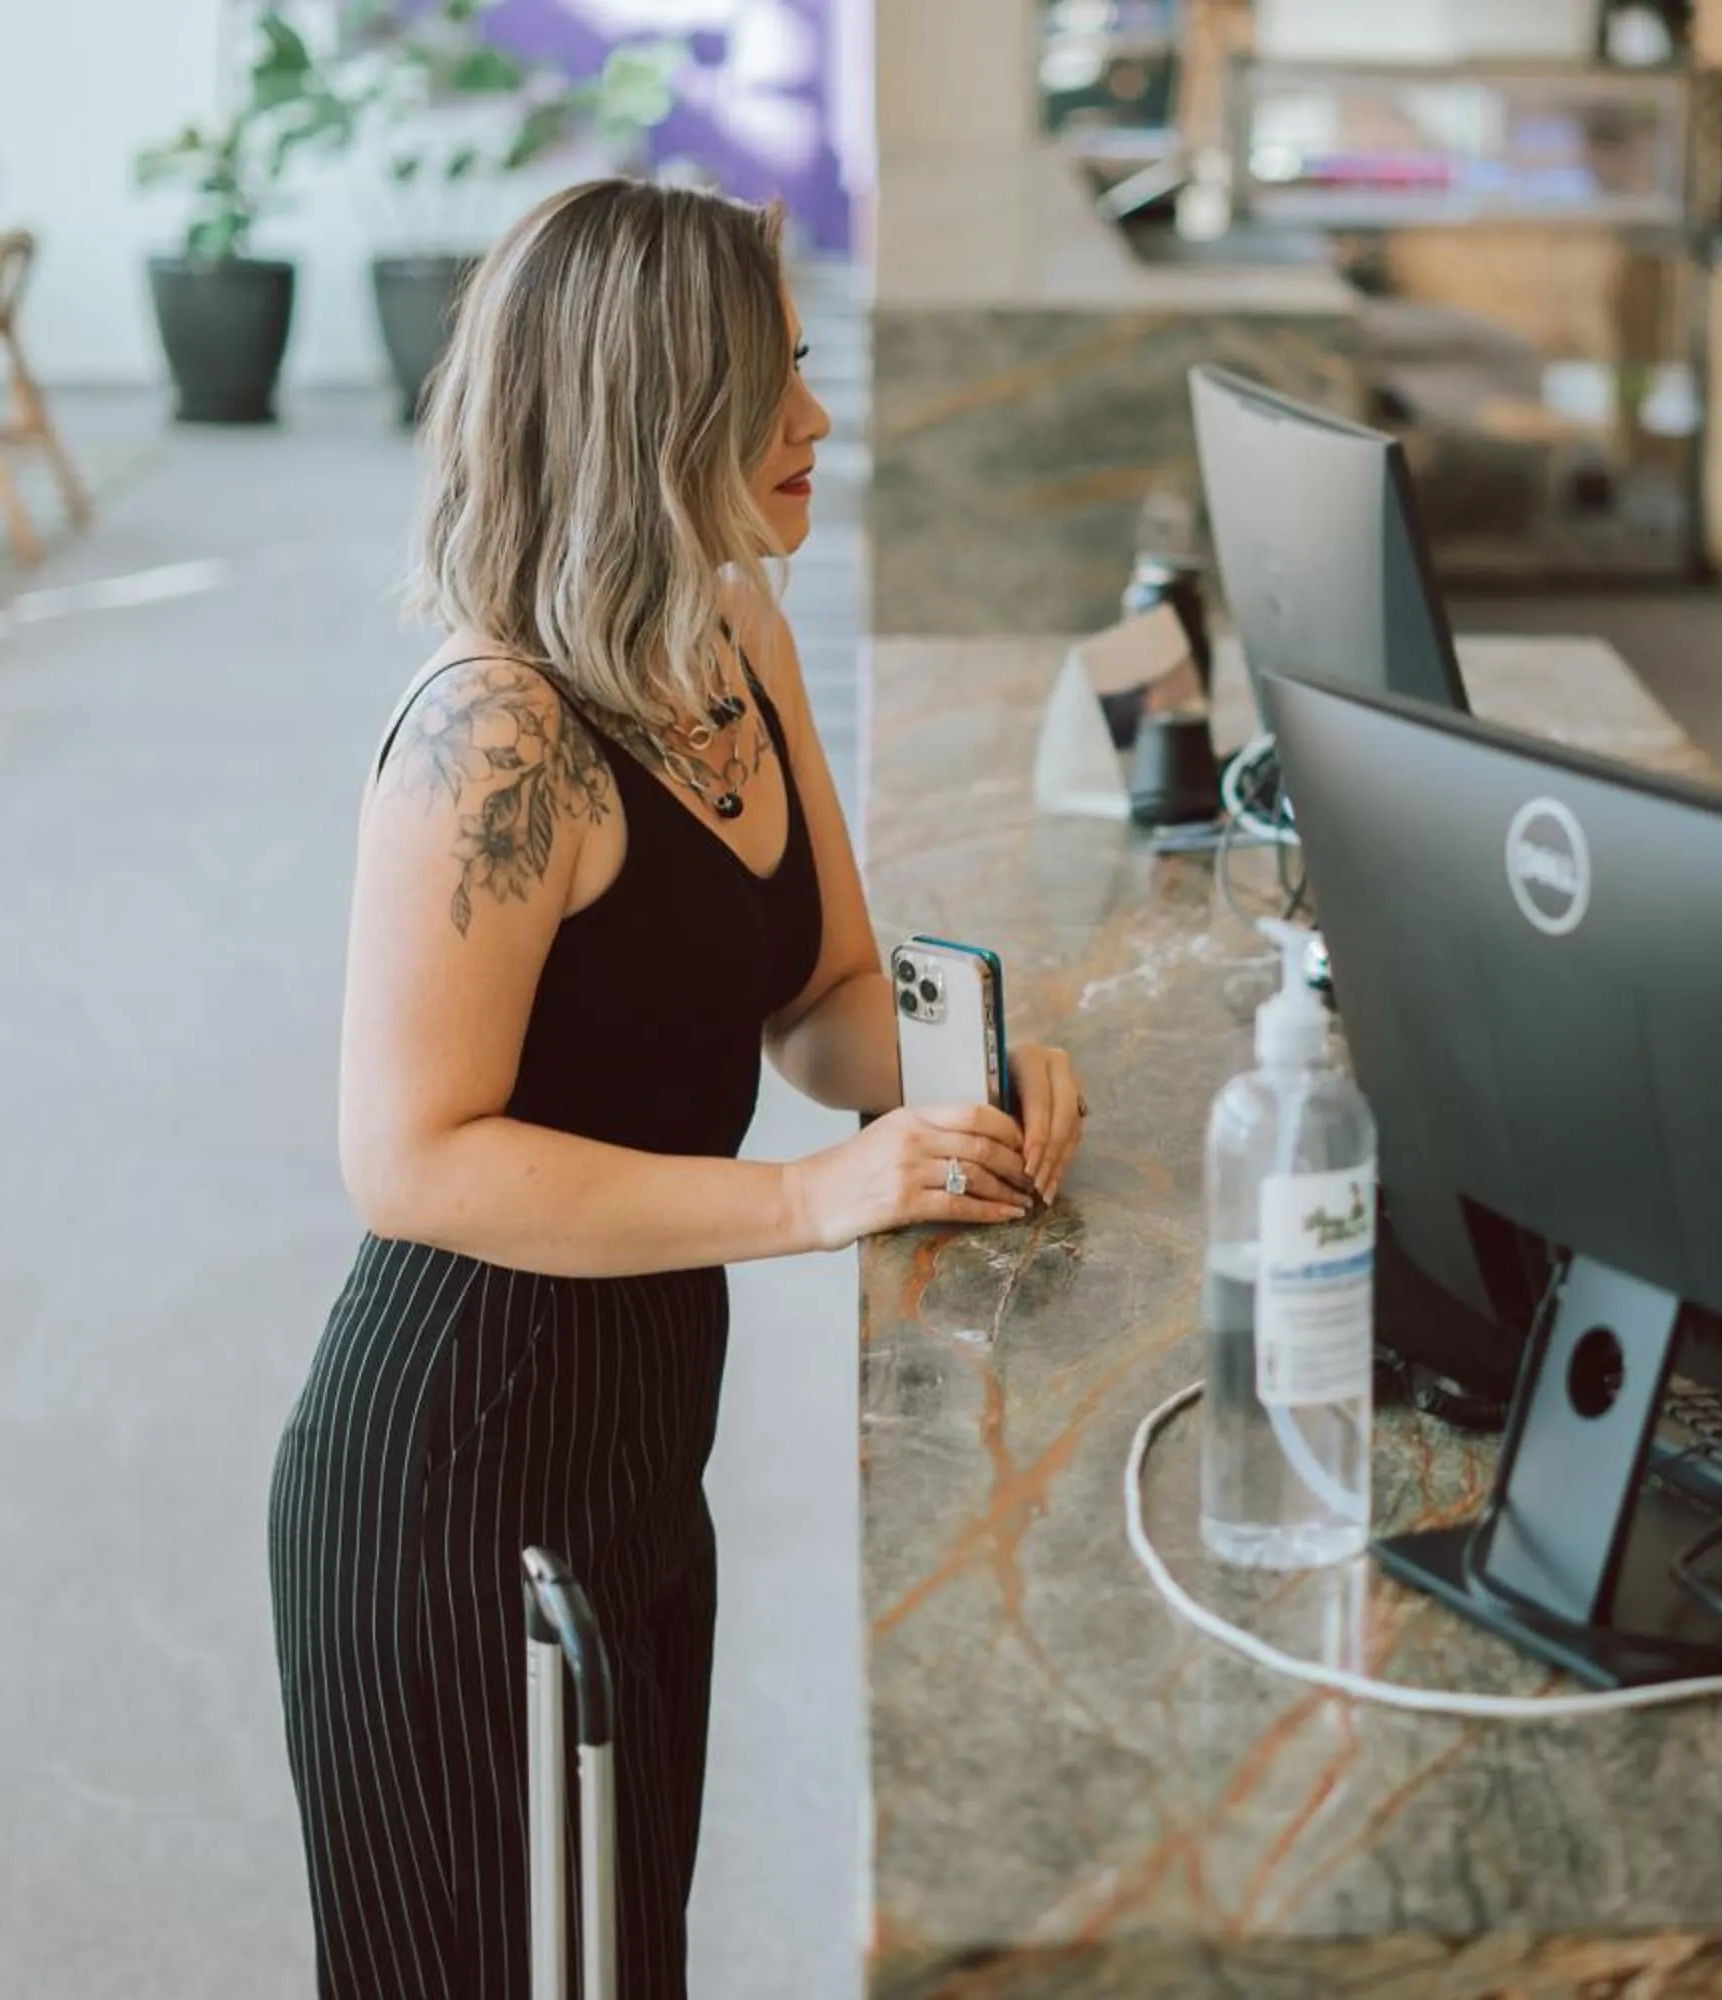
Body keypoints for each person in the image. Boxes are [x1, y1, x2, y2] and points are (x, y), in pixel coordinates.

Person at [267, 180, 1091, 1997]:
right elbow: (408, 1160)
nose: (816, 421)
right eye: (764, 385)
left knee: (625, 1961)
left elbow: (820, 999)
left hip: (641, 1434)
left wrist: (963, 1080)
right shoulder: (493, 734)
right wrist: (819, 1199)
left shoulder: (735, 639)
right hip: (456, 1477)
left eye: (803, 370)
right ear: (649, 417)